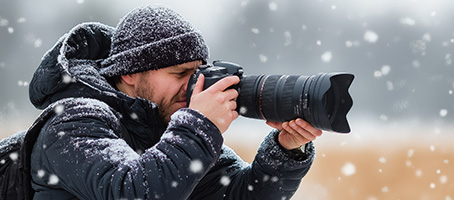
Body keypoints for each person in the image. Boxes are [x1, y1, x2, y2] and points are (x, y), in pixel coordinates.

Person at [27, 5, 321, 199]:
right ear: (129, 72)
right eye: (180, 73)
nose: (192, 85)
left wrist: (286, 152)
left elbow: (238, 195)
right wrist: (199, 126)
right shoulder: (74, 123)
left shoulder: (168, 127)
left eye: (197, 73)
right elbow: (133, 192)